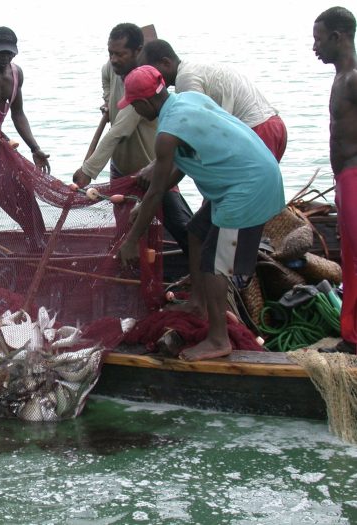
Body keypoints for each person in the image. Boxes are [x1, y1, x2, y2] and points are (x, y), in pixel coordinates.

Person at [118, 66, 284, 361]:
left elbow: (156, 191)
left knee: (214, 262)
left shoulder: (167, 134)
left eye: (132, 105)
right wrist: (143, 207)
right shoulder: (187, 100)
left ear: (143, 103)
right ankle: (198, 304)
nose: (133, 109)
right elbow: (181, 167)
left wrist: (132, 240)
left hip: (248, 187)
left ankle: (219, 339)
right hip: (249, 176)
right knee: (196, 231)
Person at [72, 23, 192, 255]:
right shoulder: (113, 67)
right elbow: (106, 75)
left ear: (138, 52)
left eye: (121, 54)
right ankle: (132, 269)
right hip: (121, 168)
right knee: (125, 227)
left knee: (180, 225)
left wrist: (88, 170)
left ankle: (205, 269)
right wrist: (108, 100)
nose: (114, 59)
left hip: (150, 170)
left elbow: (118, 131)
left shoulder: (142, 85)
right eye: (111, 53)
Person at [138, 39, 287, 161]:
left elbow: (198, 131)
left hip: (258, 129)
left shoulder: (186, 79)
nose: (149, 77)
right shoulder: (193, 68)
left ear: (166, 63)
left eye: (150, 71)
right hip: (273, 125)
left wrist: (159, 163)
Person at [313, 6, 357, 354]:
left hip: (355, 174)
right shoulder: (340, 78)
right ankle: (352, 336)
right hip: (343, 177)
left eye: (318, 38)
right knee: (349, 257)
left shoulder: (354, 78)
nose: (315, 47)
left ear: (337, 37)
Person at [0, 26, 50, 172]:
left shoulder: (16, 74)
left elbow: (18, 114)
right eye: (0, 53)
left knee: (21, 187)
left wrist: (35, 148)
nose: (5, 57)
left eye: (9, 53)